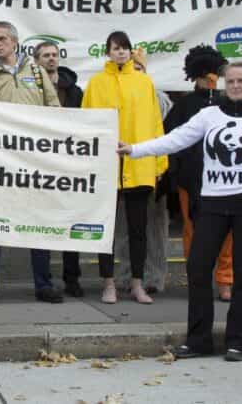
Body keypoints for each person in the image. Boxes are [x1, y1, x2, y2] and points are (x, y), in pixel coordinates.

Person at [118, 61, 242, 361]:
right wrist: (135, 149)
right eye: (230, 81)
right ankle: (198, 340)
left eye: (241, 80)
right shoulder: (210, 115)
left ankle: (239, 341)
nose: (235, 85)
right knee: (197, 269)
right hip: (212, 203)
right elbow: (176, 139)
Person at [0, 22, 61, 304]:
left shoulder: (37, 73)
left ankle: (43, 284)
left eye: (2, 39)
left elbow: (54, 109)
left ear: (14, 41)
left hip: (34, 163)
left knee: (38, 223)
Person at [82, 31, 166, 305]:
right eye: (115, 48)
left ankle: (137, 284)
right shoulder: (96, 83)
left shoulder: (144, 82)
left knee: (138, 230)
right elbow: (85, 123)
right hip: (105, 167)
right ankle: (108, 283)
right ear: (107, 52)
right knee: (105, 229)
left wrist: (159, 161)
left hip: (138, 165)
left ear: (130, 52)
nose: (120, 52)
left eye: (124, 48)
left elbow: (155, 123)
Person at [163, 45, 232, 301]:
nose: (209, 79)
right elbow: (170, 138)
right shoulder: (184, 106)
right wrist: (175, 172)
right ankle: (197, 279)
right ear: (195, 76)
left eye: (213, 74)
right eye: (204, 75)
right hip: (191, 179)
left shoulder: (228, 104)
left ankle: (225, 280)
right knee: (193, 231)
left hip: (224, 179)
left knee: (227, 232)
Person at [114, 49, 172, 295]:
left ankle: (154, 277)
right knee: (124, 228)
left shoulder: (159, 99)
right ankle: (126, 274)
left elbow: (164, 137)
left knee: (154, 229)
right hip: (122, 173)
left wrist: (160, 168)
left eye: (138, 68)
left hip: (150, 172)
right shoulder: (114, 94)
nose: (134, 73)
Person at [33, 40, 84, 298]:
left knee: (70, 221)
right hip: (40, 164)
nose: (51, 59)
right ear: (36, 61)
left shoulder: (75, 91)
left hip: (69, 165)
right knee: (40, 224)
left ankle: (71, 278)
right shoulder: (30, 90)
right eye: (46, 55)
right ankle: (43, 281)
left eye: (54, 55)